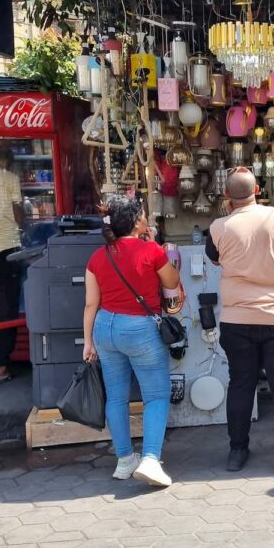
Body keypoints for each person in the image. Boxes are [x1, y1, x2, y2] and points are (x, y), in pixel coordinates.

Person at [206, 167, 274, 474]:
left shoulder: (218, 227)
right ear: (257, 190)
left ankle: (237, 451)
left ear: (227, 196)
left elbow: (215, 259)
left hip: (236, 319)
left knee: (242, 384)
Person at [84, 196, 181, 488]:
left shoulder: (98, 256)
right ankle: (151, 459)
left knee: (116, 397)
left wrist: (88, 341)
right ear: (137, 221)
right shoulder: (150, 251)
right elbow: (172, 282)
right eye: (142, 215)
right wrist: (155, 244)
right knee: (155, 395)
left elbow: (91, 304)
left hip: (104, 327)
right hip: (139, 329)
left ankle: (125, 460)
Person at [0, 145, 24, 383]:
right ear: (3, 161)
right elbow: (18, 214)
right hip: (5, 250)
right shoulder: (9, 178)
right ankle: (0, 367)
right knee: (5, 309)